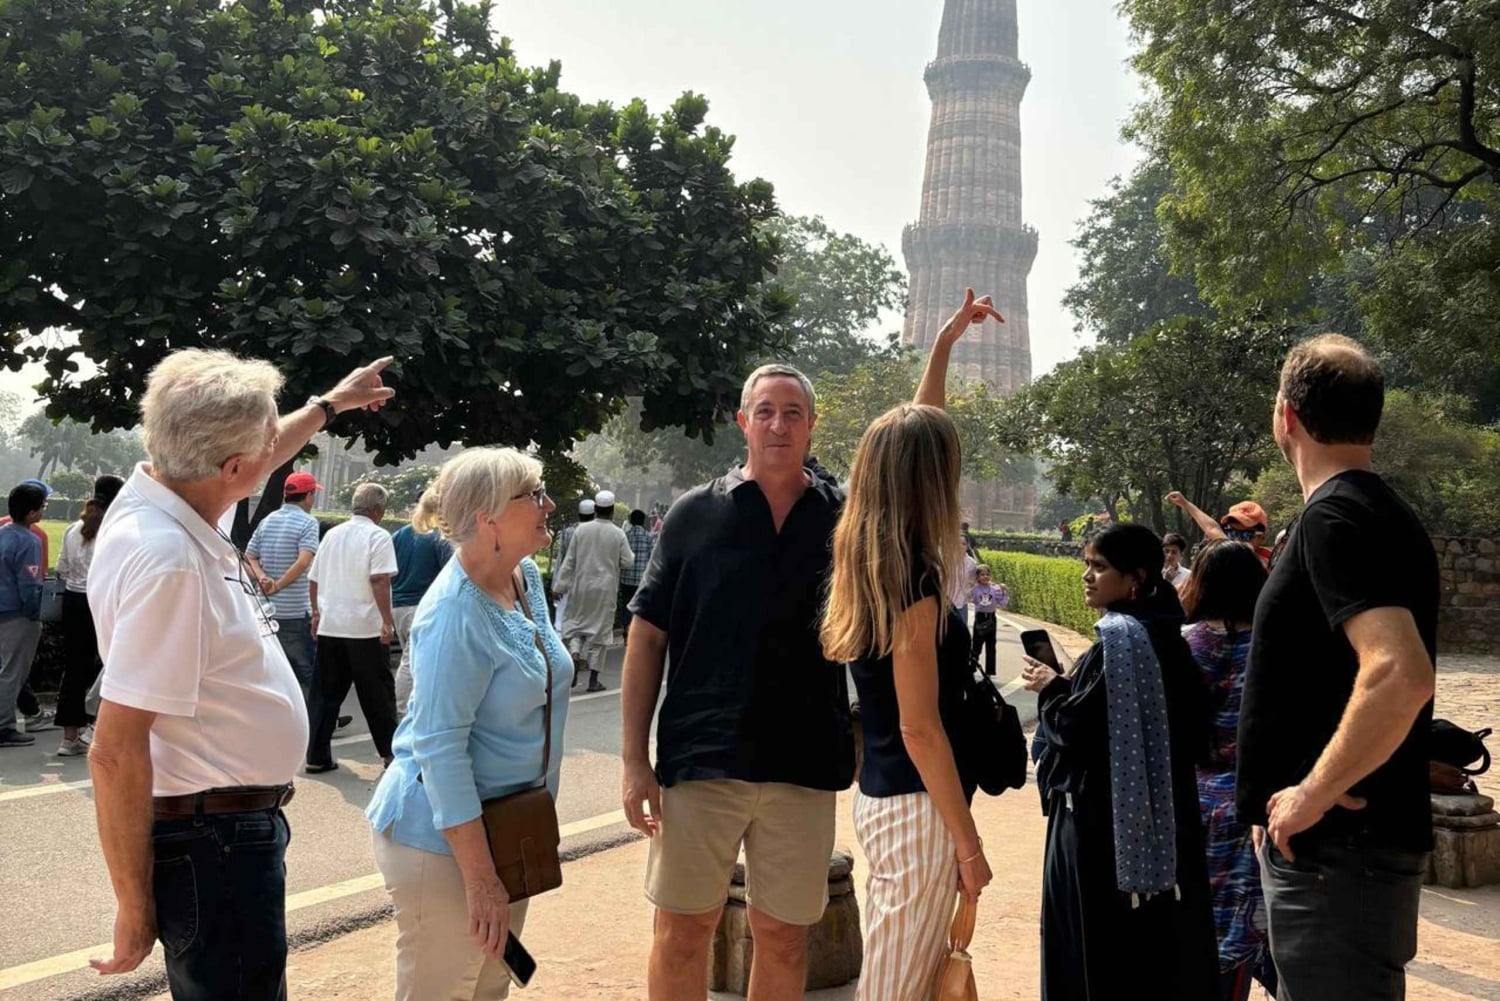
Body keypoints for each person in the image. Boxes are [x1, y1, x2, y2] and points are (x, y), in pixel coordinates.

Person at [86, 348, 393, 997]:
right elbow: (114, 751)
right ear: (233, 469)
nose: (274, 460)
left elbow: (264, 447)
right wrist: (134, 907)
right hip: (213, 844)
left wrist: (330, 404)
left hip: (226, 833)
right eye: (261, 452)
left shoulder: (183, 497)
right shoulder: (169, 555)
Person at [620, 361, 861, 1000]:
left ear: (811, 425)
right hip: (703, 758)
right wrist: (634, 761)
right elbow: (646, 638)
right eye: (765, 410)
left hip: (804, 762)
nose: (778, 424)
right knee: (683, 929)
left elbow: (910, 453)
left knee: (783, 937)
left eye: (792, 412)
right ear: (743, 421)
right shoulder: (695, 514)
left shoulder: (844, 522)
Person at [1238, 334, 1438, 1001]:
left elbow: (1399, 672)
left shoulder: (1336, 518)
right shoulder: (1381, 513)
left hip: (1336, 856)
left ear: (1285, 415)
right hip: (1346, 857)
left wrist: (1312, 793)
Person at [821, 289, 1002, 1000]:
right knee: (894, 990)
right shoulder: (915, 582)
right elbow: (921, 727)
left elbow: (911, 437)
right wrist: (970, 846)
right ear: (933, 480)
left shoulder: (866, 555)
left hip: (886, 798)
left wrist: (945, 345)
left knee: (908, 978)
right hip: (921, 811)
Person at [365, 447, 572, 1001]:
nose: (548, 504)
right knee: (446, 990)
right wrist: (482, 880)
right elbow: (439, 751)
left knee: (487, 987)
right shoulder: (453, 614)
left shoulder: (521, 573)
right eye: (533, 495)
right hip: (445, 847)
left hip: (507, 830)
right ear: (488, 519)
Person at [1021, 522, 1219, 1001]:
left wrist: (1051, 688)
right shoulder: (1169, 639)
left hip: (1100, 828)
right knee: (1156, 955)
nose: (1087, 576)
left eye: (1100, 567)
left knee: (1096, 955)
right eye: (1087, 564)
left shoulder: (1120, 640)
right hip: (1165, 822)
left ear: (1137, 578)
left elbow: (1076, 729)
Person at [1178, 540, 1273, 1001]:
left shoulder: (1187, 643)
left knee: (1191, 924)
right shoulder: (1276, 645)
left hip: (1191, 799)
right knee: (1241, 926)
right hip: (1252, 805)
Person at [306, 481, 399, 773]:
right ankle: (390, 755)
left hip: (332, 623)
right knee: (377, 693)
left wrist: (316, 614)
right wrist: (387, 620)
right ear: (378, 510)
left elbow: (314, 578)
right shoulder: (378, 536)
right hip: (364, 627)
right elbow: (379, 579)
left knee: (325, 694)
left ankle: (317, 755)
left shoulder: (333, 534)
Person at [52, 474, 125, 755]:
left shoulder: (73, 529)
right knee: (111, 665)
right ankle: (96, 729)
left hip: (73, 601)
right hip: (103, 602)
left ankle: (69, 737)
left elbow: (62, 568)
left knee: (74, 669)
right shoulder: (116, 530)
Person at [246, 471, 323, 703]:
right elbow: (303, 561)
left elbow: (249, 557)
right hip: (294, 611)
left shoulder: (267, 520)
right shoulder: (308, 523)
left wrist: (262, 578)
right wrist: (278, 584)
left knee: (274, 670)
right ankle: (314, 720)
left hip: (265, 610)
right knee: (307, 669)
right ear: (309, 495)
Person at [554, 489, 632, 693]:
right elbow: (628, 561)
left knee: (576, 626)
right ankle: (593, 681)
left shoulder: (581, 531)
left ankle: (574, 657)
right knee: (599, 634)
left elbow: (569, 562)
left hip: (581, 586)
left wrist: (558, 587)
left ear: (596, 509)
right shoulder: (618, 533)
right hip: (605, 590)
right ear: (612, 510)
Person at [390, 493, 453, 716]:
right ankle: (403, 710)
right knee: (412, 661)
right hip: (423, 606)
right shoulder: (439, 537)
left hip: (397, 606)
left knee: (413, 659)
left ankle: (411, 708)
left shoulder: (399, 535)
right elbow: (450, 573)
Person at [0, 482, 48, 747]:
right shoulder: (29, 541)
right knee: (12, 673)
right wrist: (34, 614)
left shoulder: (2, 533)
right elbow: (29, 584)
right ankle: (4, 726)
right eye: (42, 507)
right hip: (17, 614)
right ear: (32, 513)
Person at [1167, 492, 1273, 567]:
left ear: (1261, 537)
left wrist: (1186, 504)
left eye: (1244, 536)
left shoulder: (1270, 562)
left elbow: (1213, 529)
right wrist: (1185, 504)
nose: (1236, 541)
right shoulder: (1220, 558)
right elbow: (1212, 529)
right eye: (1231, 533)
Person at [551, 499, 593, 632]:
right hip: (588, 580)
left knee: (561, 617)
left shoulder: (569, 531)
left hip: (567, 579)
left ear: (579, 514)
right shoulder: (596, 533)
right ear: (594, 514)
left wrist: (556, 584)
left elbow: (561, 559)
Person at [969, 564, 1009, 678]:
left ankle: (990, 671)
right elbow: (969, 598)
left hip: (991, 617)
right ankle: (971, 667)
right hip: (980, 618)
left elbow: (1002, 603)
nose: (985, 577)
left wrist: (1004, 591)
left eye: (987, 574)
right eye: (982, 575)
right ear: (977, 577)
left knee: (991, 645)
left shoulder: (995, 589)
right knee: (976, 645)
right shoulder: (975, 589)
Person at [619, 508, 654, 636]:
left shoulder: (625, 536)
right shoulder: (649, 537)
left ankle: (626, 628)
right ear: (643, 521)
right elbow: (652, 558)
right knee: (639, 605)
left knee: (626, 604)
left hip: (626, 578)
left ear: (630, 521)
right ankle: (635, 631)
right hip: (642, 578)